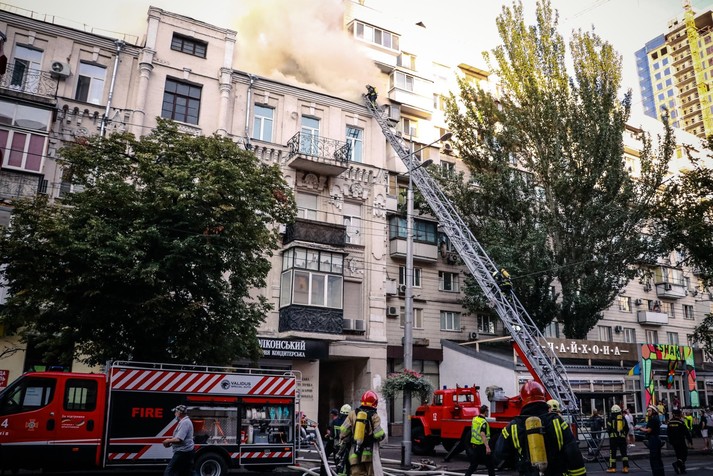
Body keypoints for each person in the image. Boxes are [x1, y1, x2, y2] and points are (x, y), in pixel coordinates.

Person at [494, 381, 586, 476]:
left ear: (522, 400)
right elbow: (573, 453)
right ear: (544, 397)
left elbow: (499, 455)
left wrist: (520, 460)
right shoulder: (557, 422)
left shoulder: (513, 426)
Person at [339, 390, 386, 476]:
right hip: (369, 454)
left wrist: (345, 441)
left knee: (356, 473)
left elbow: (343, 431)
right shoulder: (374, 416)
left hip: (354, 452)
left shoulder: (352, 414)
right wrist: (382, 435)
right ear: (375, 403)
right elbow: (378, 435)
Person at [162, 404, 195, 476]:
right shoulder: (184, 421)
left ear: (179, 413)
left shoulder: (185, 422)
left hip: (183, 452)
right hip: (186, 451)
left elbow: (179, 439)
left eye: (176, 412)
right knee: (186, 472)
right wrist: (171, 443)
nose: (175, 414)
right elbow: (179, 438)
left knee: (169, 471)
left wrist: (168, 440)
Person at [465, 405, 495, 476]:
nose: (488, 413)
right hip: (482, 446)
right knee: (490, 465)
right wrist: (487, 447)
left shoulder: (475, 419)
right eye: (487, 411)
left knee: (474, 465)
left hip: (474, 445)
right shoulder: (483, 422)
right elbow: (482, 434)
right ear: (485, 412)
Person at [605, 404, 629, 473]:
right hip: (622, 438)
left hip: (613, 439)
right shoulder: (622, 418)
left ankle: (613, 468)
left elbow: (608, 429)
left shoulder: (610, 418)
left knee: (612, 453)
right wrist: (624, 435)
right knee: (624, 453)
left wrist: (611, 435)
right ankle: (625, 468)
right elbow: (627, 428)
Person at [642, 404, 665, 476]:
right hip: (656, 439)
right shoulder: (656, 418)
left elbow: (649, 430)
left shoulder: (652, 419)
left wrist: (641, 429)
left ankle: (656, 473)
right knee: (658, 458)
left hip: (653, 439)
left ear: (653, 412)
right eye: (647, 411)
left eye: (649, 411)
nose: (648, 412)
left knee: (654, 459)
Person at [667, 408, 692, 474]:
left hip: (674, 442)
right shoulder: (680, 422)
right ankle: (677, 464)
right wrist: (690, 440)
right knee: (684, 454)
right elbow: (686, 432)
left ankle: (682, 469)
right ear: (679, 415)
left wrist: (670, 441)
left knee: (678, 455)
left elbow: (668, 432)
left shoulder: (670, 422)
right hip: (681, 441)